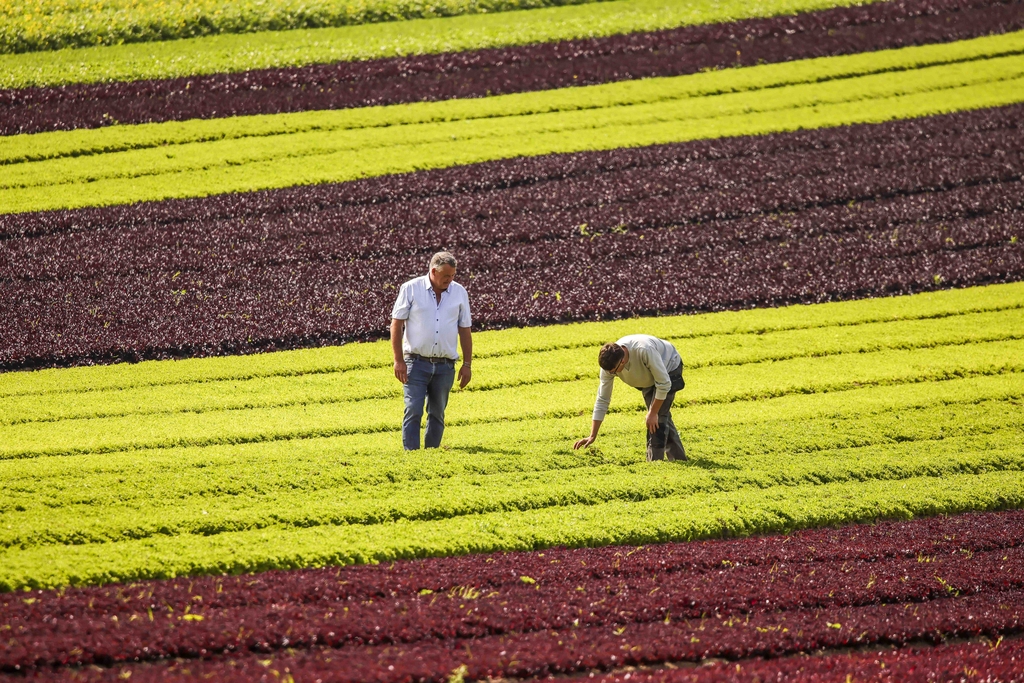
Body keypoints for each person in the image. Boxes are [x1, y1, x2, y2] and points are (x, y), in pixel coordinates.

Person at [390, 251, 473, 450]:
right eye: (446, 275)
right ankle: (412, 455)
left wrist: (467, 364)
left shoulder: (459, 292)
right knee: (413, 409)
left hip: (445, 366)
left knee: (437, 413)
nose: (450, 279)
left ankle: (431, 454)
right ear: (433, 271)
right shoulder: (411, 289)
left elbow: (465, 330)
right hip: (415, 363)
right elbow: (396, 324)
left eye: (452, 275)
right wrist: (398, 360)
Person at [574, 335, 687, 461]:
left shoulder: (644, 350)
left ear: (622, 361)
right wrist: (592, 435)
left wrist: (653, 412)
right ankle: (679, 459)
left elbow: (664, 384)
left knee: (657, 418)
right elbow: (603, 399)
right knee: (660, 416)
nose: (611, 374)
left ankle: (654, 463)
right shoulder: (610, 364)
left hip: (669, 368)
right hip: (647, 378)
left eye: (613, 372)